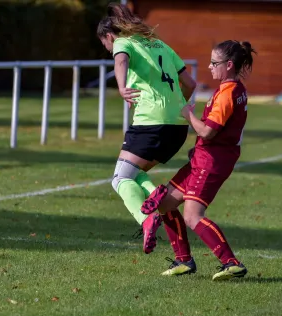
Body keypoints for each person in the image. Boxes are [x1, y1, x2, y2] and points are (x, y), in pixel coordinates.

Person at [141, 40, 256, 281]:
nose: (210, 66)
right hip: (203, 159)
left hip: (211, 162)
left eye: (215, 63)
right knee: (165, 205)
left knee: (193, 216)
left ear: (229, 65)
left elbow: (207, 132)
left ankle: (231, 263)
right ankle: (184, 261)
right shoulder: (234, 89)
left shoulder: (228, 94)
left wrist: (188, 114)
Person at [97, 2, 197, 254]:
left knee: (120, 178)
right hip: (177, 126)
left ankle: (147, 219)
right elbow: (190, 83)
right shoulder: (160, 44)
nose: (107, 48)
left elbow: (120, 61)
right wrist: (177, 105)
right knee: (133, 172)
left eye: (104, 44)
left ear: (109, 35)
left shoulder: (123, 42)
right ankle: (154, 194)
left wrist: (120, 87)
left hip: (151, 122)